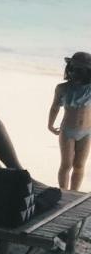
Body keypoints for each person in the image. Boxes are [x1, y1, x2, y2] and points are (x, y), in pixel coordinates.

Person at [49, 51, 91, 191]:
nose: (74, 73)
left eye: (79, 70)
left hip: (87, 132)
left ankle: (74, 192)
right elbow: (55, 107)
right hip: (67, 131)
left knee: (79, 165)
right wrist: (50, 124)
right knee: (66, 164)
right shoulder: (62, 88)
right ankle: (64, 191)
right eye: (72, 69)